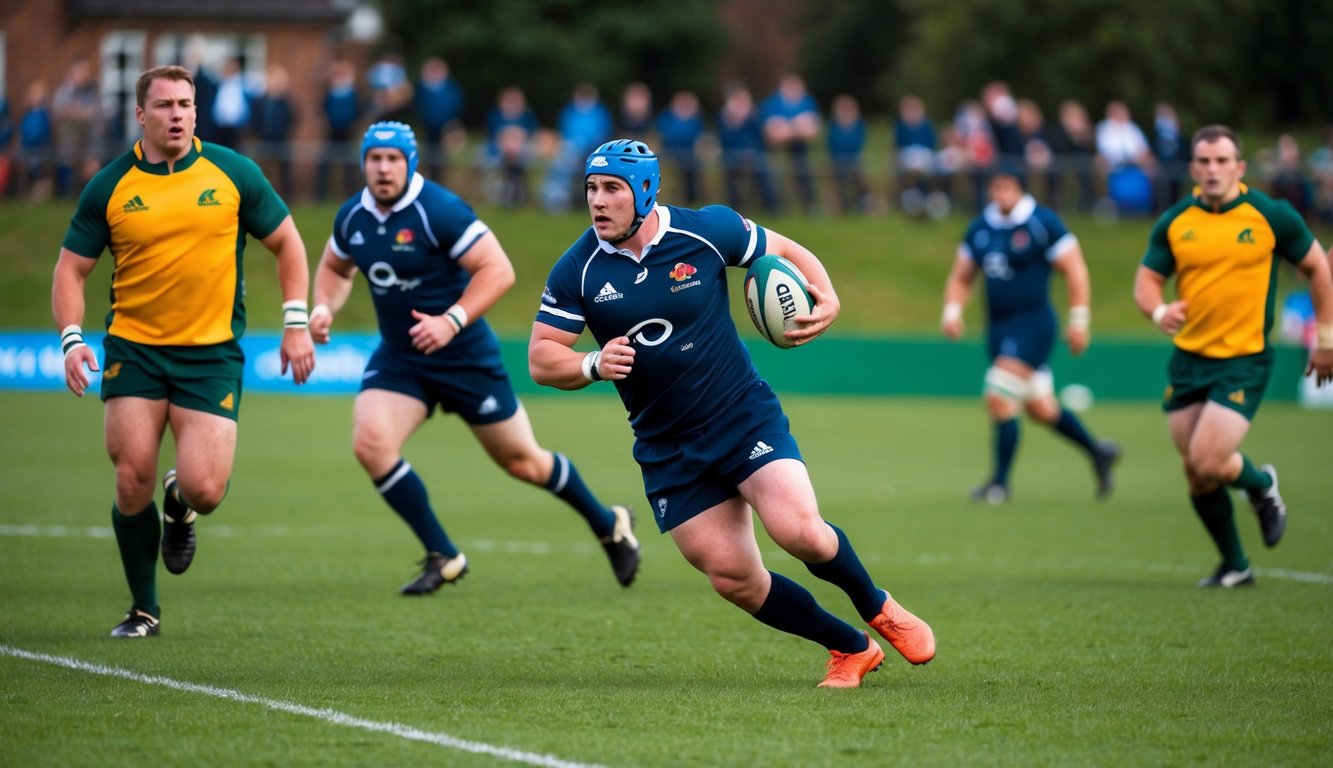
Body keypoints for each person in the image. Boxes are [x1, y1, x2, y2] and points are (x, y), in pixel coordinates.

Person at [529, 139, 935, 688]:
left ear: (646, 192)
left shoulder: (706, 230)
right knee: (734, 578)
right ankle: (850, 648)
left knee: (800, 533)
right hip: (666, 445)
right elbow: (541, 358)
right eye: (592, 189)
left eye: (612, 190)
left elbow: (788, 252)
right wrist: (593, 362)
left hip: (740, 415)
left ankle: (878, 606)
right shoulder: (577, 268)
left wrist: (827, 294)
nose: (598, 202)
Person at [309, 121, 639, 594]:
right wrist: (323, 307)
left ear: (411, 162)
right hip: (402, 358)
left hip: (464, 355)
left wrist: (451, 320)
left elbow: (498, 270)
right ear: (363, 163)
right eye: (374, 159)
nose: (383, 169)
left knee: (523, 461)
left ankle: (609, 522)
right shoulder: (352, 217)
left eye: (393, 159)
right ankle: (444, 554)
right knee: (371, 444)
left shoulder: (437, 210)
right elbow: (335, 269)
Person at [52, 65, 317, 638]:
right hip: (134, 352)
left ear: (198, 111)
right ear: (140, 114)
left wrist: (295, 323)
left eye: (187, 104)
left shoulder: (233, 173)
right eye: (166, 104)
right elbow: (70, 272)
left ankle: (181, 505)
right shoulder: (109, 186)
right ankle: (144, 609)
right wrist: (72, 341)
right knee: (130, 479)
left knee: (205, 488)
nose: (178, 114)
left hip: (211, 356)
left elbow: (289, 245)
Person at [1132, 124, 1333, 588]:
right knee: (1196, 471)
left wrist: (1325, 339)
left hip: (1244, 358)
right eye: (1204, 161)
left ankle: (1262, 486)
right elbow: (1146, 279)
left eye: (1222, 161)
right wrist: (1158, 308)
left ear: (1239, 167)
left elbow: (1317, 267)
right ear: (1192, 169)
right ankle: (1236, 565)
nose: (1213, 169)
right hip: (1189, 359)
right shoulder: (1177, 221)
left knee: (1206, 458)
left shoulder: (1270, 215)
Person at [941, 169, 1121, 505]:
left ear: (1020, 189)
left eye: (1007, 188)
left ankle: (999, 484)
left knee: (998, 394)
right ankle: (1098, 451)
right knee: (1041, 409)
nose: (1001, 195)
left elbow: (1076, 270)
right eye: (995, 188)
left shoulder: (1042, 223)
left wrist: (1079, 319)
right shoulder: (981, 228)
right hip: (998, 328)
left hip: (1034, 325)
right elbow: (962, 276)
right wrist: (952, 312)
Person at [759, 74, 821, 214]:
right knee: (775, 176)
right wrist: (798, 127)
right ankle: (777, 209)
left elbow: (813, 131)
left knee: (804, 173)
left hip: (800, 149)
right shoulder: (772, 103)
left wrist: (786, 128)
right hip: (775, 150)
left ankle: (810, 207)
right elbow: (771, 134)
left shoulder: (807, 102)